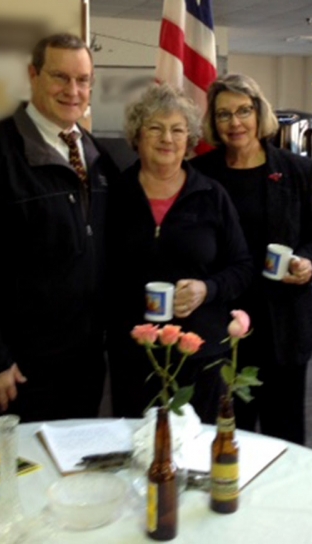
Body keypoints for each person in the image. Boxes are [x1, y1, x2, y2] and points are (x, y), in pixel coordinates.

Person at [0, 33, 117, 429]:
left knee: (73, 483)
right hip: (15, 371)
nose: (73, 90)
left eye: (83, 80)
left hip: (81, 366)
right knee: (12, 482)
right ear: (32, 75)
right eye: (60, 77)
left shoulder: (98, 157)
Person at [190, 73, 312, 445]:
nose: (235, 123)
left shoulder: (296, 171)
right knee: (225, 435)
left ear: (259, 113)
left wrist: (307, 263)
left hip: (283, 326)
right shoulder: (201, 175)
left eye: (243, 111)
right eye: (224, 114)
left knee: (284, 437)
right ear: (213, 121)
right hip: (223, 325)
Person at [107, 83, 252, 424]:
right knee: (138, 451)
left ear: (189, 139)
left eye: (177, 130)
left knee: (197, 455)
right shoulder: (114, 194)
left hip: (200, 354)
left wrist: (208, 289)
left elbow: (242, 266)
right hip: (134, 356)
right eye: (155, 128)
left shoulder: (211, 194)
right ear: (137, 136)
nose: (166, 139)